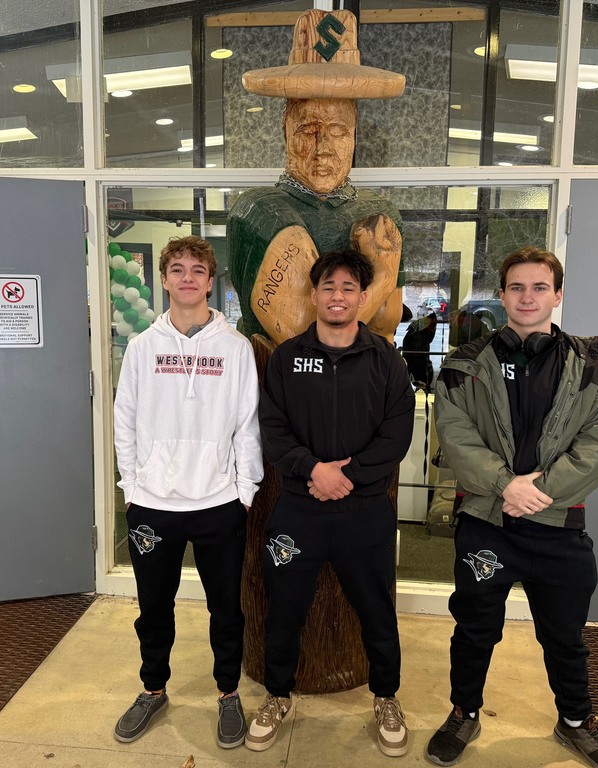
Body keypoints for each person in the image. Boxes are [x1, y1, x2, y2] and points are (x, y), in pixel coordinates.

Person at [430, 246, 598, 767]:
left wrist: (536, 492)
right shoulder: (463, 367)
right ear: (501, 295)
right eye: (517, 287)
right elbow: (455, 436)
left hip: (559, 526)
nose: (527, 296)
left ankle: (576, 722)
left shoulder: (588, 368)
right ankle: (463, 713)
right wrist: (504, 486)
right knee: (474, 628)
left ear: (557, 295)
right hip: (487, 526)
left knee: (565, 636)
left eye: (540, 287)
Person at [246, 249, 415, 757]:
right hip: (299, 508)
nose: (337, 296)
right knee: (285, 609)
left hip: (364, 512)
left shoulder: (386, 359)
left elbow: (396, 433)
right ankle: (278, 696)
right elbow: (271, 429)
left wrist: (350, 477)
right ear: (314, 294)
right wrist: (312, 470)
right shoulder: (286, 358)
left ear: (362, 298)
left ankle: (385, 696)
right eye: (328, 287)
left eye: (348, 288)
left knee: (377, 610)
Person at [112, 235, 264, 749]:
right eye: (177, 269)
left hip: (219, 504)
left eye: (197, 270)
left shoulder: (235, 348)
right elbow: (125, 421)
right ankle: (153, 689)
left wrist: (245, 491)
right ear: (164, 278)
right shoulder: (142, 347)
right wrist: (131, 486)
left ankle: (227, 694)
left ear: (210, 278)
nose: (187, 279)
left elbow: (248, 424)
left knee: (227, 608)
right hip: (153, 504)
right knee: (154, 608)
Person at [228, 8, 407, 345]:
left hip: (361, 390)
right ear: (284, 130)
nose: (323, 147)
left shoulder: (381, 213)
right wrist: (381, 278)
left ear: (355, 135)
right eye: (308, 128)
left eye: (338, 130)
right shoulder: (260, 211)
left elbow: (386, 328)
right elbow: (303, 335)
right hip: (280, 392)